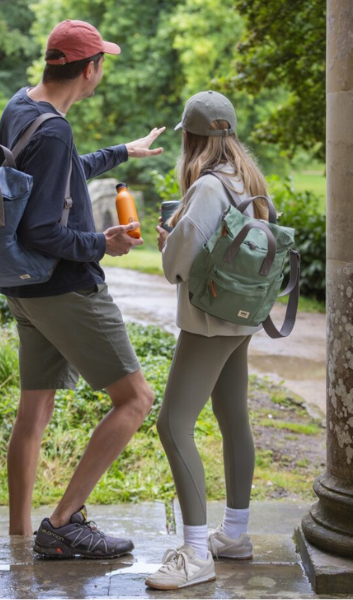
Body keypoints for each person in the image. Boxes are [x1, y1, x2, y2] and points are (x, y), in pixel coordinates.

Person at [0, 19, 165, 559]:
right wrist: (103, 244)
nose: (101, 74)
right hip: (66, 288)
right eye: (101, 64)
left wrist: (123, 150)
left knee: (34, 411)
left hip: (24, 287)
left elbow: (56, 176)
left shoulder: (22, 107)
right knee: (136, 399)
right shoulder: (55, 129)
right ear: (88, 69)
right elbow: (45, 229)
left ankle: (20, 533)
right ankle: (63, 524)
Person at [146, 90, 270, 590]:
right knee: (232, 416)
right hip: (243, 316)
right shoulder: (250, 180)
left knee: (173, 423)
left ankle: (196, 553)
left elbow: (179, 260)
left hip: (209, 320)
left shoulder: (207, 187)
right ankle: (234, 535)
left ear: (192, 138)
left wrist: (166, 243)